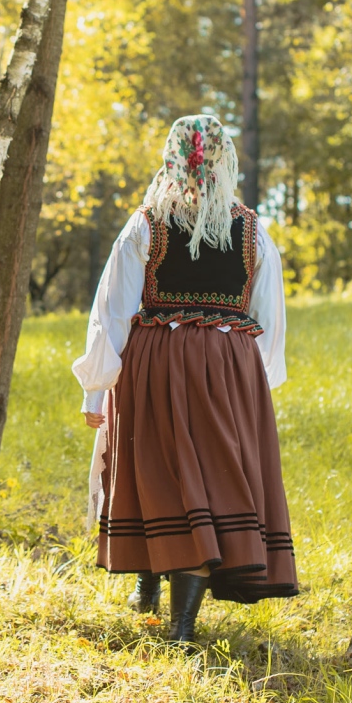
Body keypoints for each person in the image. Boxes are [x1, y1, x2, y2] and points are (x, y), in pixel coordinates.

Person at [72, 114, 296, 646]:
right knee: (209, 480)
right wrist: (254, 382)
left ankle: (158, 598)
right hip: (228, 367)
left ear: (170, 157)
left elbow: (113, 313)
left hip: (157, 362)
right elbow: (269, 317)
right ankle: (177, 621)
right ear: (225, 160)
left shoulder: (146, 224)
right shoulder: (252, 231)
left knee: (156, 468)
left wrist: (96, 388)